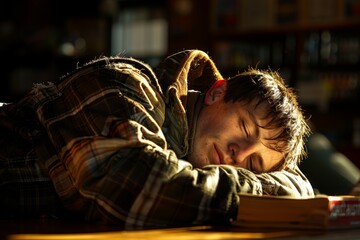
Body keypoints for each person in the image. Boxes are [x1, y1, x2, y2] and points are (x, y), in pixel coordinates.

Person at [0, 49, 314, 228]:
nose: (239, 154)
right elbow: (139, 185)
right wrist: (263, 190)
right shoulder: (123, 84)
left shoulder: (191, 162)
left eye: (255, 162)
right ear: (217, 92)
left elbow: (299, 186)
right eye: (246, 128)